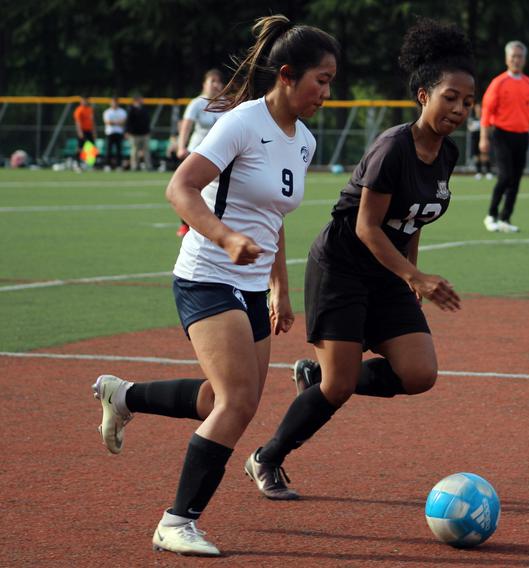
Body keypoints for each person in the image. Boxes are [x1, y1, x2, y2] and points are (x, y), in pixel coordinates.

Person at [90, 15, 339, 556]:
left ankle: (124, 395)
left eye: (331, 82)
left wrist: (281, 287)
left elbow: (274, 219)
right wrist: (225, 238)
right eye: (320, 79)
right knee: (238, 402)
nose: (326, 91)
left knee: (216, 401)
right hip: (205, 274)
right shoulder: (241, 123)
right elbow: (180, 188)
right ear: (287, 74)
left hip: (253, 286)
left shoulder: (305, 141)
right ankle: (176, 521)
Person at [243, 18, 471, 503]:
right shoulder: (392, 147)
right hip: (343, 267)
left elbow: (412, 221)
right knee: (340, 386)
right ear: (423, 95)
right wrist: (416, 276)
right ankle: (268, 457)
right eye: (450, 96)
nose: (459, 108)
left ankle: (314, 378)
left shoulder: (447, 155)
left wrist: (410, 276)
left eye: (468, 101)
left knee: (419, 374)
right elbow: (368, 227)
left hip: (388, 273)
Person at [479, 40, 529, 233]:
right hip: (502, 135)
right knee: (505, 176)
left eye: (520, 56)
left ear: (524, 60)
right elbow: (487, 110)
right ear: (507, 59)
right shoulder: (499, 83)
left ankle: (506, 218)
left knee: (516, 179)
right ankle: (491, 215)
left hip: (522, 136)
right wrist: (484, 137)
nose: (516, 60)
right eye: (513, 56)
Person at [176, 69, 226, 237]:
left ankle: (211, 222)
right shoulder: (197, 103)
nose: (215, 84)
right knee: (190, 188)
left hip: (219, 155)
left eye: (218, 81)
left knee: (214, 191)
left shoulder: (226, 103)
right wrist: (181, 146)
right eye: (212, 80)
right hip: (196, 152)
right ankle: (185, 224)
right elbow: (186, 125)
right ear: (204, 84)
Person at [126, 94, 153, 171]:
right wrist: (127, 131)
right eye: (141, 99)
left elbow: (147, 121)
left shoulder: (144, 109)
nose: (142, 100)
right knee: (134, 151)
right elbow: (128, 122)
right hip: (134, 134)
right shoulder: (131, 109)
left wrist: (148, 131)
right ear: (136, 100)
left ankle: (148, 166)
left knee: (146, 151)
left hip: (144, 133)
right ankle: (134, 166)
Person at [102, 96, 127, 170]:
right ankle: (107, 165)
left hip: (119, 132)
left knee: (119, 150)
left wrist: (114, 122)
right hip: (110, 132)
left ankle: (119, 165)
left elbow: (123, 122)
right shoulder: (107, 112)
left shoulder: (122, 111)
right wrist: (117, 122)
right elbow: (108, 122)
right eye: (113, 102)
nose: (115, 103)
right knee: (108, 150)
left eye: (116, 102)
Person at [468, 105, 492, 179]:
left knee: (485, 155)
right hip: (474, 139)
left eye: (480, 108)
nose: (478, 110)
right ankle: (479, 172)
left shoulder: (485, 118)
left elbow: (490, 128)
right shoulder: (472, 118)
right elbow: (470, 127)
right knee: (477, 156)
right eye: (477, 108)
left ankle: (488, 172)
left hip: (483, 139)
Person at [72, 96, 95, 169]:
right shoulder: (79, 110)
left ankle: (90, 163)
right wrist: (79, 131)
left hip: (89, 130)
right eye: (84, 100)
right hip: (82, 130)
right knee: (80, 147)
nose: (85, 101)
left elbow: (92, 121)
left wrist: (94, 131)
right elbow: (77, 122)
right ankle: (76, 162)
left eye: (86, 100)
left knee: (91, 147)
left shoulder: (90, 109)